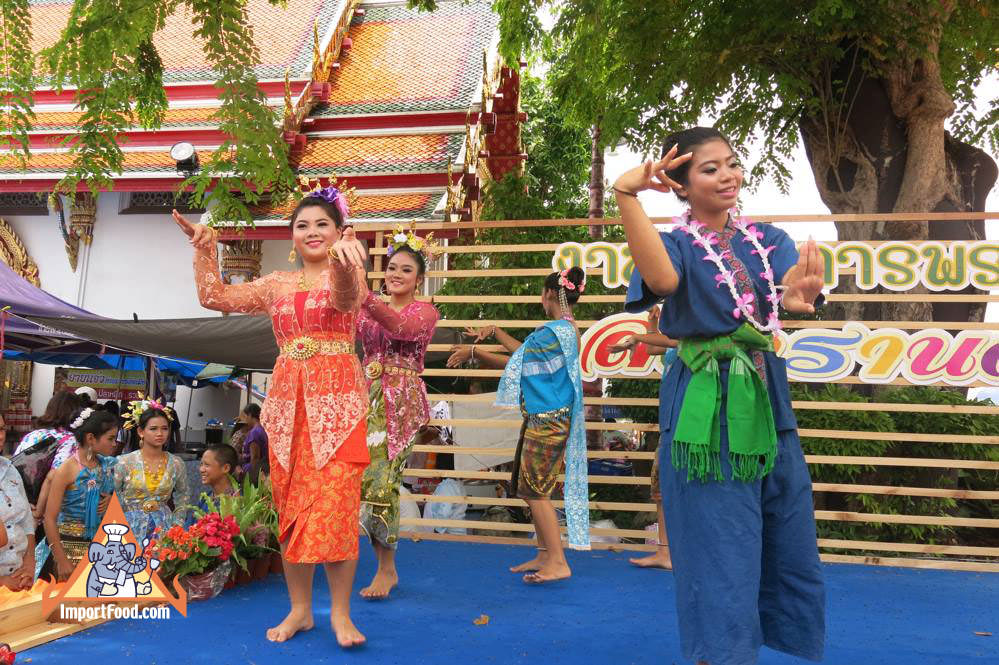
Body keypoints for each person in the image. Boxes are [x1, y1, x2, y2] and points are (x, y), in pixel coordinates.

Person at [614, 126, 826, 665]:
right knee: (718, 550)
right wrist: (626, 194)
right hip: (706, 414)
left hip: (766, 400)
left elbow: (785, 289)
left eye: (731, 163)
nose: (728, 175)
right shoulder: (675, 243)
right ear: (680, 185)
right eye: (709, 169)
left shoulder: (768, 239)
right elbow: (661, 282)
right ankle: (719, 656)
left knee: (787, 539)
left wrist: (797, 296)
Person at [173, 183, 370, 647]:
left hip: (337, 407)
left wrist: (345, 259)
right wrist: (205, 248)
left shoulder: (351, 273)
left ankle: (340, 614)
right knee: (292, 510)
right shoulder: (275, 284)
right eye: (302, 225)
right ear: (293, 238)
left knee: (337, 508)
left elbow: (345, 298)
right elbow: (214, 297)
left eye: (323, 224)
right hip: (286, 409)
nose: (312, 232)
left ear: (341, 231)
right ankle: (300, 610)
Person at [448, 267, 590, 583]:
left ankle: (557, 561)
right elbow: (523, 354)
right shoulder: (563, 329)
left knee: (536, 492)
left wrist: (473, 351)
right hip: (547, 419)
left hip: (547, 421)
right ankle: (544, 553)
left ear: (549, 294)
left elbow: (517, 364)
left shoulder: (552, 332)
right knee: (531, 489)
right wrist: (495, 331)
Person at [356, 228, 440, 599]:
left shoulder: (424, 312)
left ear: (418, 279)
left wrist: (363, 295)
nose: (396, 274)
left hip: (401, 401)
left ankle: (386, 570)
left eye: (406, 270)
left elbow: (401, 328)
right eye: (392, 267)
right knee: (365, 482)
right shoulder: (369, 305)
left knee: (380, 481)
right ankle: (382, 566)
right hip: (365, 396)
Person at [608, 305, 677, 570]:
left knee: (688, 490)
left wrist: (637, 337)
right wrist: (651, 325)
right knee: (660, 488)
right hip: (670, 423)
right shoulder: (673, 343)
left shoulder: (694, 335)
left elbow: (671, 340)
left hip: (690, 424)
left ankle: (686, 552)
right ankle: (664, 552)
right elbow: (655, 348)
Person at [42, 408, 118, 581]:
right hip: (68, 547)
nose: (114, 443)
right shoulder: (66, 470)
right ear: (90, 438)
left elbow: (121, 498)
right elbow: (49, 518)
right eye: (110, 438)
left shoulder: (106, 466)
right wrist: (61, 559)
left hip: (101, 547)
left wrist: (112, 501)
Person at [113, 399, 190, 544]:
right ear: (141, 432)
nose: (160, 433)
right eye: (153, 429)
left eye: (165, 428)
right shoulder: (124, 462)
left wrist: (177, 523)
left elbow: (183, 494)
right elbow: (113, 496)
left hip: (164, 529)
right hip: (128, 529)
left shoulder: (176, 463)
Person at [14, 391, 80, 520]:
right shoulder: (71, 440)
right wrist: (39, 512)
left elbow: (16, 467)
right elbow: (54, 476)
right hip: (45, 511)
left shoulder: (33, 435)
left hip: (23, 503)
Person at [0, 450, 35, 590]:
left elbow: (26, 519)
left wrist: (29, 561)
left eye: (2, 429)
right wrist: (2, 581)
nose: (1, 436)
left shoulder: (9, 468)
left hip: (19, 574)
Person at [239, 404, 268, 484]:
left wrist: (253, 477)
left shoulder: (255, 432)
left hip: (253, 473)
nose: (246, 420)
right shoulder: (262, 429)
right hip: (262, 469)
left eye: (246, 416)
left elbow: (255, 457)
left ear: (250, 415)